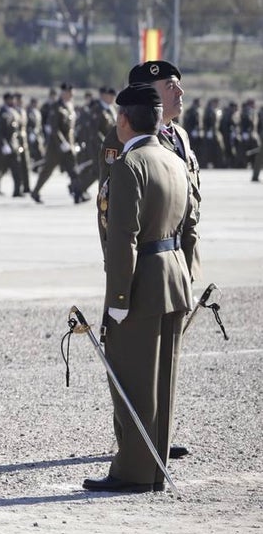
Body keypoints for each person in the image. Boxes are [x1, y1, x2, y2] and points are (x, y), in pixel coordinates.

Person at [83, 82, 196, 493]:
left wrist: (117, 300)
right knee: (162, 381)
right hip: (173, 276)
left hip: (142, 282)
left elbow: (123, 238)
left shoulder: (130, 165)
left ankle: (133, 471)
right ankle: (153, 466)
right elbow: (184, 225)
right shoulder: (173, 161)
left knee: (131, 380)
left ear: (124, 120)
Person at [32, 82, 82, 203]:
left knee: (73, 171)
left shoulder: (69, 106)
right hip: (55, 147)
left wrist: (72, 143)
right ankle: (35, 192)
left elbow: (71, 129)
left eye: (72, 93)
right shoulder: (56, 107)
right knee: (47, 171)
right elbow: (54, 128)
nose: (71, 95)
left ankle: (78, 194)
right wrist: (62, 143)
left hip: (68, 146)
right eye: (69, 93)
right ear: (63, 93)